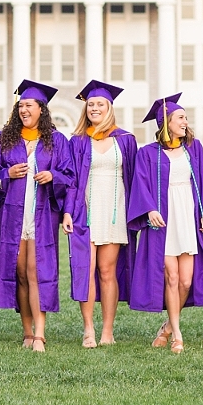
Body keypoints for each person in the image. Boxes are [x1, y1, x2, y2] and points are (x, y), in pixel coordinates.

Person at [127, 94, 203, 354]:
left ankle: (167, 327)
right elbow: (140, 185)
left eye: (186, 118)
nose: (185, 122)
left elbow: (201, 181)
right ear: (166, 122)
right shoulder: (148, 153)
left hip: (187, 214)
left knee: (186, 282)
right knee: (172, 277)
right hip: (165, 219)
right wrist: (150, 209)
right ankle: (178, 335)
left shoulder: (193, 148)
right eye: (180, 118)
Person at [0, 80, 76, 353]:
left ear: (42, 108)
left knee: (36, 271)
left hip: (42, 214)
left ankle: (40, 333)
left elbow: (70, 176)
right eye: (20, 106)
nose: (23, 110)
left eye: (29, 105)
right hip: (12, 215)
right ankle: (26, 331)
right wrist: (7, 174)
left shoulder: (57, 142)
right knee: (19, 272)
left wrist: (52, 176)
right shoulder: (3, 140)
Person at [66, 80, 138, 348]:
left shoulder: (126, 140)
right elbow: (72, 179)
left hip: (115, 212)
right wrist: (68, 212)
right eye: (91, 104)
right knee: (87, 270)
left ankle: (107, 330)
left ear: (109, 108)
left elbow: (135, 179)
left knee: (108, 272)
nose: (94, 108)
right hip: (85, 212)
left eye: (100, 104)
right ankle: (88, 330)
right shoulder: (78, 142)